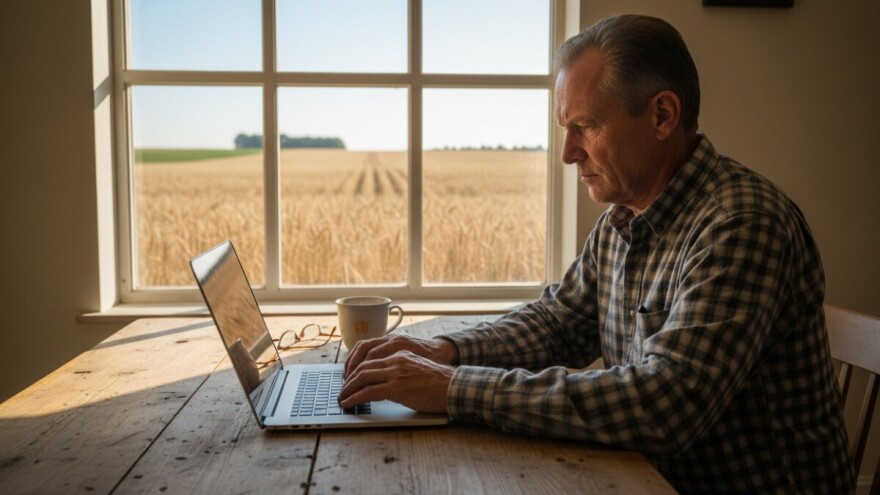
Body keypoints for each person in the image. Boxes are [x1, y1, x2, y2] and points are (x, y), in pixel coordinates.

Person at [338, 14, 855, 494]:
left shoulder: (742, 223)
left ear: (662, 115)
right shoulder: (622, 219)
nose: (568, 153)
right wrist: (445, 351)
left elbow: (666, 404)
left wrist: (453, 387)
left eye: (585, 126)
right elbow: (558, 324)